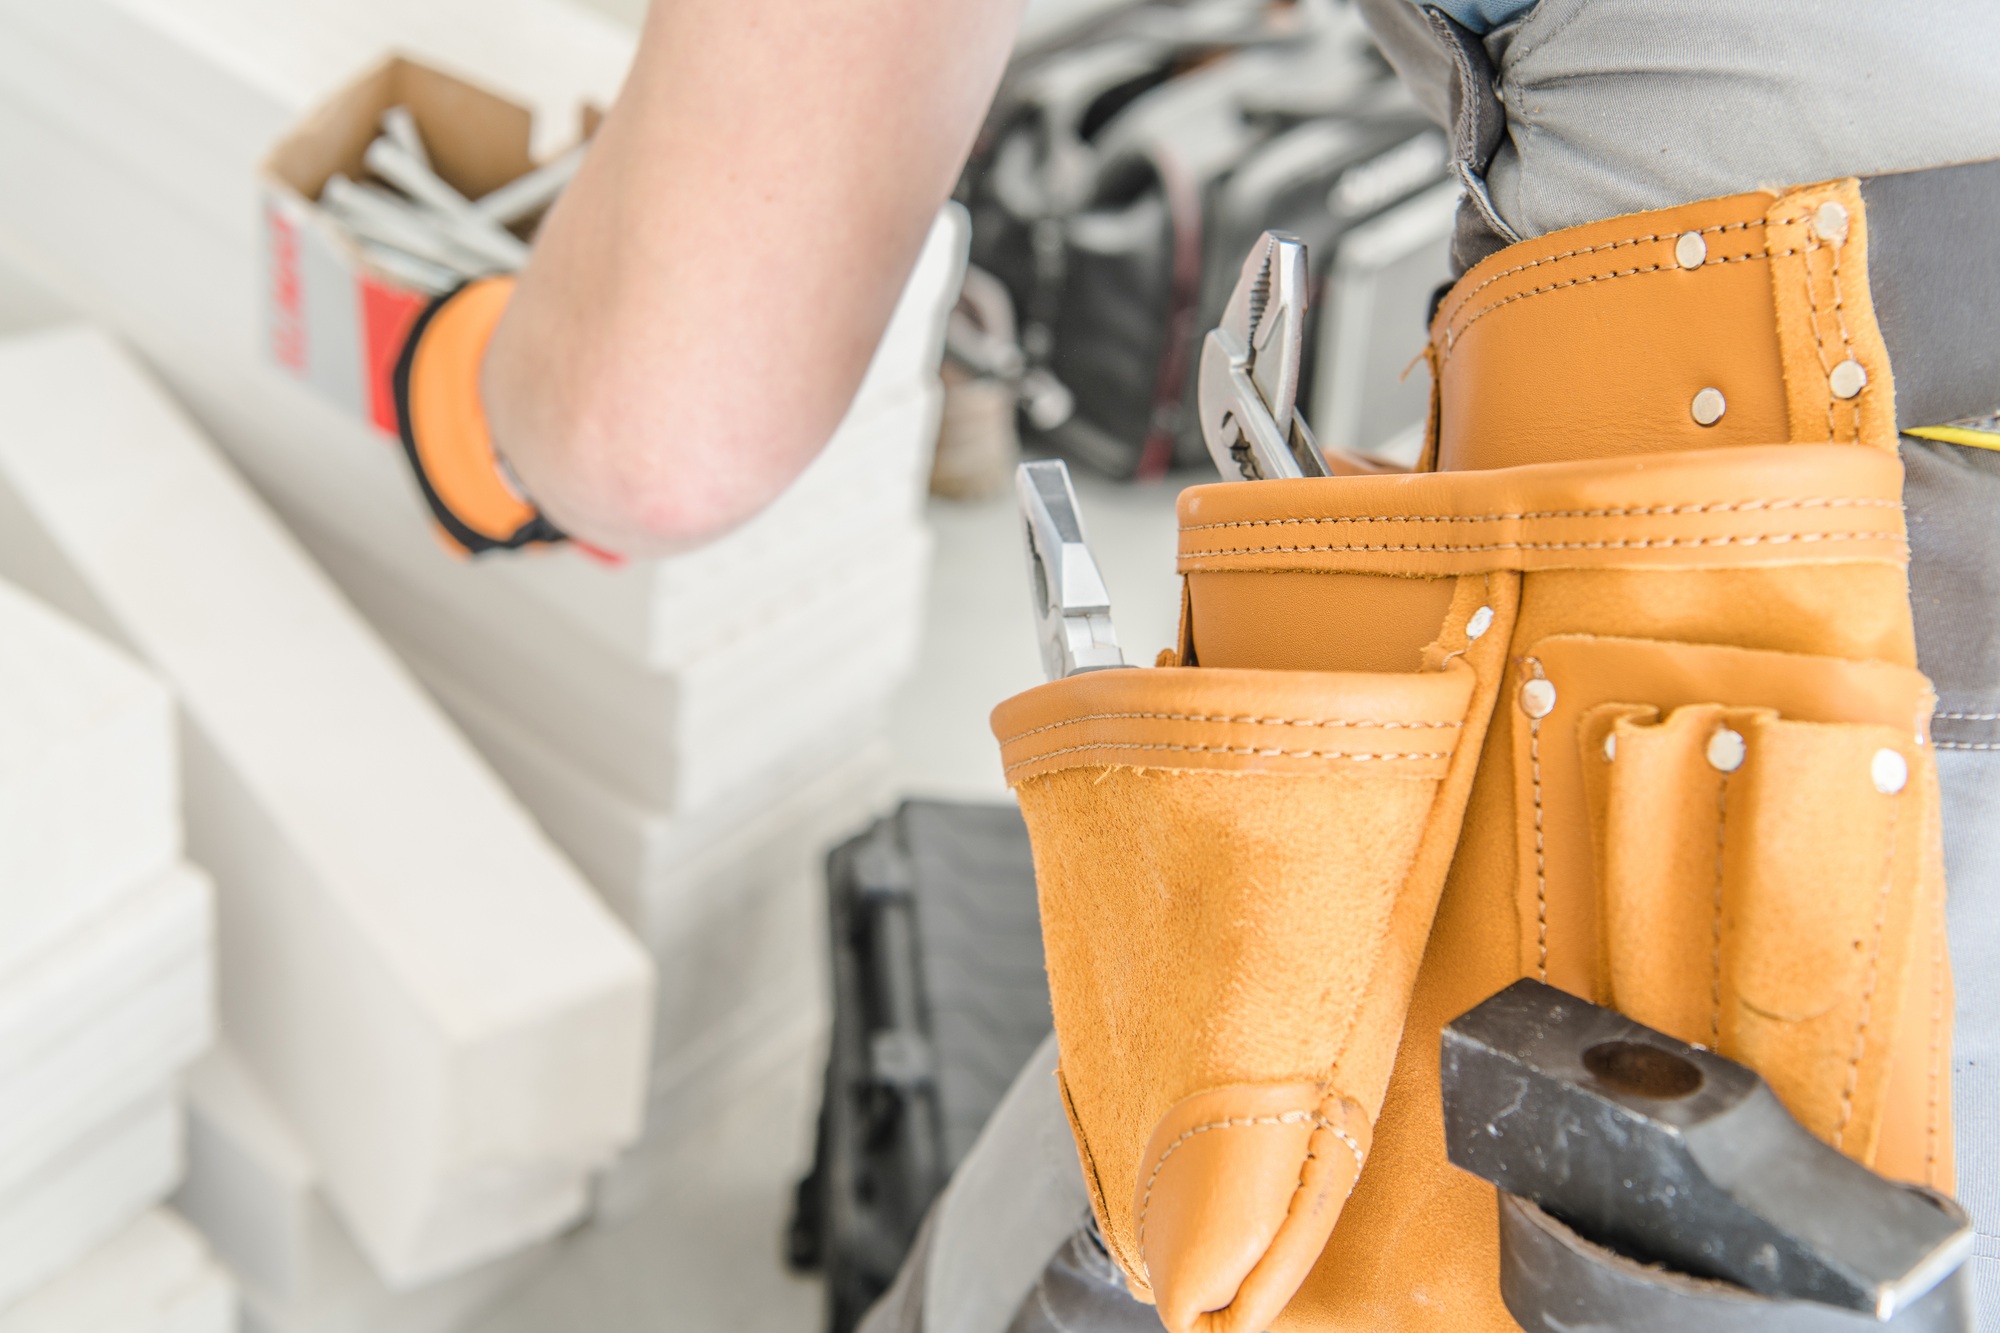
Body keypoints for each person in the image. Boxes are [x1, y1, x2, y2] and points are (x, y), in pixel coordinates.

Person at [395, 2, 2000, 1329]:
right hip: (1828, 721)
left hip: (1795, 779)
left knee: (1143, 1232)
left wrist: (472, 392)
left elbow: (662, 426)